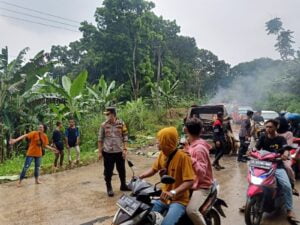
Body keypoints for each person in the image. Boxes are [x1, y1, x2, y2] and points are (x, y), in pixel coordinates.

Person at [139, 127, 195, 225]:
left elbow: (190, 181)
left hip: (179, 200)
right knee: (145, 215)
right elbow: (153, 169)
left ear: (166, 142)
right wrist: (140, 177)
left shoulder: (183, 157)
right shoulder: (162, 155)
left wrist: (173, 192)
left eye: (159, 140)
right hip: (163, 198)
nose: (157, 142)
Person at [256, 119, 295, 220]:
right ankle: (249, 200)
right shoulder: (262, 137)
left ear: (276, 127)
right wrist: (250, 152)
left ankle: (289, 209)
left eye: (270, 127)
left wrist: (285, 154)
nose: (268, 129)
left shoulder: (281, 139)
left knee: (286, 186)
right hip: (263, 165)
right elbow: (256, 148)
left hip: (277, 165)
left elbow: (286, 149)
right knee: (253, 182)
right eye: (266, 127)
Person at [184, 118, 214, 225]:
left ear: (185, 129)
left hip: (202, 185)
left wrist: (190, 159)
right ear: (201, 131)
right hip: (190, 182)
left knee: (191, 210)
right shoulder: (190, 145)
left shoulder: (199, 149)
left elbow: (201, 173)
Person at [98, 107, 130, 197]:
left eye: (108, 114)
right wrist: (100, 152)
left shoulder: (121, 124)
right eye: (106, 114)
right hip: (108, 152)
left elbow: (125, 137)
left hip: (119, 151)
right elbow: (100, 139)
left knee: (122, 170)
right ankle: (109, 188)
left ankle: (123, 185)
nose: (106, 116)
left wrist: (125, 149)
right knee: (108, 171)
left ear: (113, 114)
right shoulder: (103, 125)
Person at [276, 117, 299, 196]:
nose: (276, 125)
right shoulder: (272, 132)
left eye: (277, 123)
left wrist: (282, 152)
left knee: (288, 167)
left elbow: (288, 146)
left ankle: (292, 185)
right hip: (270, 156)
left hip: (284, 156)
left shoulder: (288, 134)